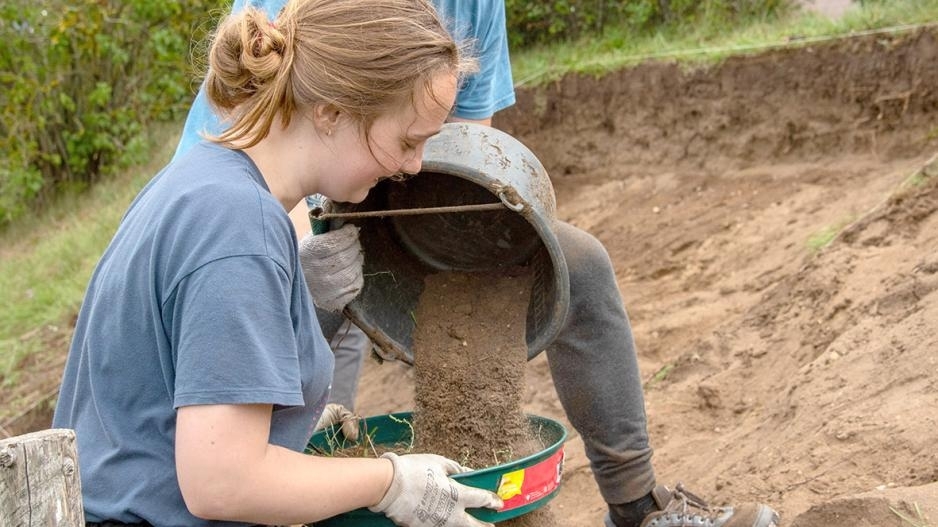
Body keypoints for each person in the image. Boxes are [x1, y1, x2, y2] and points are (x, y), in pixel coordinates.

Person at [175, 2, 782, 527]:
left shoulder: (475, 5)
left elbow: (459, 151)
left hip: (383, 187)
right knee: (312, 355)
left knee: (582, 265)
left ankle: (637, 505)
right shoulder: (238, 219)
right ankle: (309, 494)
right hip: (290, 211)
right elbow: (268, 149)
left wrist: (467, 239)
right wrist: (310, 274)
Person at [52, 1, 506, 526]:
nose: (414, 166)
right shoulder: (240, 224)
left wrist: (285, 423)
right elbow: (222, 484)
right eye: (407, 141)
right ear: (331, 111)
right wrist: (390, 482)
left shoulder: (204, 178)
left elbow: (159, 411)